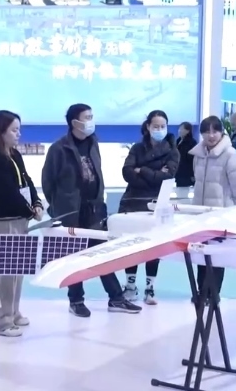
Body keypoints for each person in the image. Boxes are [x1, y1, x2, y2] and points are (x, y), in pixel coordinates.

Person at [41, 103, 142, 318]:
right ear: (74, 122)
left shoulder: (93, 143)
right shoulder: (59, 149)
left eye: (91, 116)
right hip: (71, 212)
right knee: (74, 257)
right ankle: (76, 300)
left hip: (94, 209)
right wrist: (60, 207)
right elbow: (48, 182)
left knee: (101, 254)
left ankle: (116, 298)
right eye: (87, 117)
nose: (90, 121)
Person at [0, 110, 42, 336]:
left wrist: (36, 203)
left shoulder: (14, 154)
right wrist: (30, 210)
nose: (19, 134)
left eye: (19, 130)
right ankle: (0, 321)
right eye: (14, 130)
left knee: (17, 269)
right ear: (1, 132)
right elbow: (7, 192)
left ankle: (13, 312)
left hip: (20, 217)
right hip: (5, 220)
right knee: (5, 273)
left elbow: (27, 181)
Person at [188, 116, 236, 305]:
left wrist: (230, 207)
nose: (211, 135)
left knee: (216, 257)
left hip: (221, 216)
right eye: (207, 131)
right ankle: (201, 292)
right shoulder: (198, 155)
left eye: (215, 131)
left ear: (222, 132)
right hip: (200, 215)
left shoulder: (230, 155)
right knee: (200, 254)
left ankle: (212, 294)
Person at [120, 110, 179, 305]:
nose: (159, 129)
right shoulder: (137, 148)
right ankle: (130, 286)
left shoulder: (172, 151)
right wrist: (153, 174)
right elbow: (127, 172)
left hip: (156, 203)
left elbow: (167, 176)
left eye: (163, 126)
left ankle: (150, 288)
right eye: (156, 126)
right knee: (130, 246)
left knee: (153, 247)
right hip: (132, 202)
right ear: (148, 127)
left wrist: (142, 170)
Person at [175, 121, 197, 199]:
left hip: (187, 173)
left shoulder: (192, 143)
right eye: (179, 129)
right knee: (179, 191)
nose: (179, 131)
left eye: (181, 129)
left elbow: (193, 160)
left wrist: (193, 174)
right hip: (178, 172)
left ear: (187, 131)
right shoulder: (178, 141)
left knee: (184, 193)